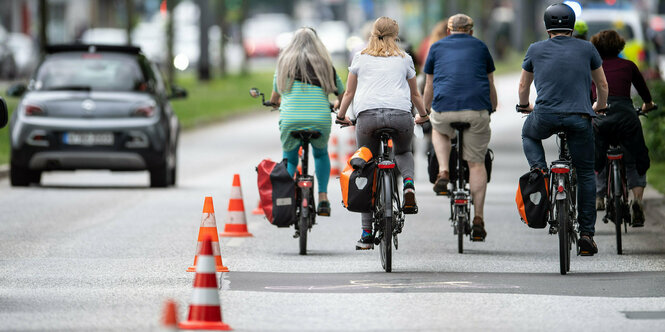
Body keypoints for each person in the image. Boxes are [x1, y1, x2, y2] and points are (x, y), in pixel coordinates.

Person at [517, 3, 609, 256]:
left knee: (528, 133)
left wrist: (524, 105)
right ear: (571, 25)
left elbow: (524, 85)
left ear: (547, 27)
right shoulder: (587, 48)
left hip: (545, 115)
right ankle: (587, 235)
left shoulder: (535, 49)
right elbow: (602, 84)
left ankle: (540, 171)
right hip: (579, 117)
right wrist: (599, 108)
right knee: (587, 174)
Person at [336, 17, 429, 250]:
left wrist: (341, 115)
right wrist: (424, 115)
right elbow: (416, 95)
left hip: (367, 118)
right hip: (400, 116)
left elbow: (348, 93)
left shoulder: (360, 57)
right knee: (404, 150)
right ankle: (408, 185)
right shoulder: (404, 58)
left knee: (366, 165)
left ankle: (367, 234)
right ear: (395, 35)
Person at [423, 13, 497, 241]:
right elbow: (490, 83)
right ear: (471, 32)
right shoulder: (481, 47)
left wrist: (426, 111)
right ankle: (478, 219)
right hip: (476, 110)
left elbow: (429, 85)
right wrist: (492, 107)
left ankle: (443, 171)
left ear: (448, 31)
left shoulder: (435, 48)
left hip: (445, 109)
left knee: (439, 128)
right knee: (476, 164)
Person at [268, 27, 345, 217]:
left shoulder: (283, 65)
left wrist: (276, 103)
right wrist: (336, 104)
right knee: (320, 154)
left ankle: (285, 197)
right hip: (320, 119)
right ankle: (323, 197)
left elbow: (274, 98)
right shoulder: (326, 65)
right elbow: (342, 94)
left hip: (291, 120)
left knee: (291, 158)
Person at [590, 29, 655, 227]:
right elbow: (644, 93)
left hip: (601, 116)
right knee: (635, 158)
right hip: (627, 117)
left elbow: (587, 93)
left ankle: (599, 197)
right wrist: (648, 105)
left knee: (596, 155)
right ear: (619, 46)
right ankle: (637, 201)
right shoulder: (629, 66)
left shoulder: (592, 67)